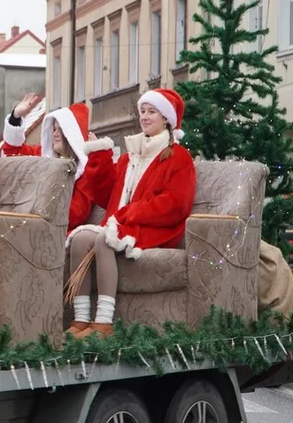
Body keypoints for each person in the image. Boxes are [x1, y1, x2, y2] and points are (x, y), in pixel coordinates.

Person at [66, 89, 197, 338]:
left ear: (167, 119)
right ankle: (81, 319)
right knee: (80, 239)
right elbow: (107, 197)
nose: (145, 117)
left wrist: (130, 214)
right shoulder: (129, 157)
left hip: (154, 228)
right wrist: (100, 156)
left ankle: (103, 323)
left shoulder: (178, 157)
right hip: (123, 222)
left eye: (152, 112)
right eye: (143, 111)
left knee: (104, 240)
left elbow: (176, 204)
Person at [1, 93, 116, 234]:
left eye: (60, 130)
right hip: (31, 226)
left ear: (71, 135)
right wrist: (16, 117)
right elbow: (13, 155)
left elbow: (75, 215)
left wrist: (40, 204)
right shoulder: (44, 156)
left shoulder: (84, 173)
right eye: (54, 129)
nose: (54, 134)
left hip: (56, 236)